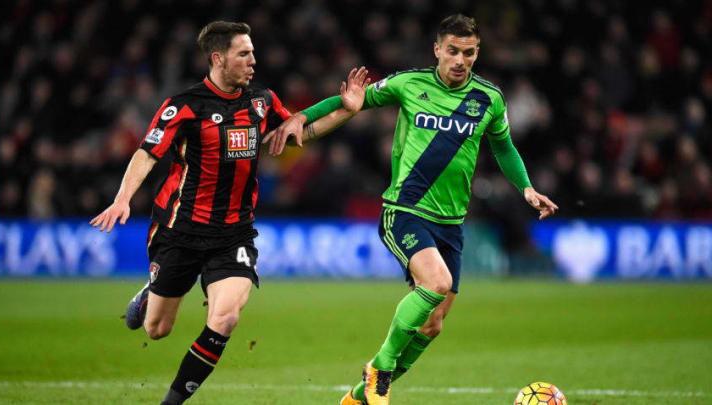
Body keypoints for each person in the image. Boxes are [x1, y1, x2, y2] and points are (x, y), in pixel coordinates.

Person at [265, 14, 558, 405]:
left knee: (433, 324)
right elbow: (350, 102)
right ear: (437, 49)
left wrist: (526, 188)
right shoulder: (408, 84)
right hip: (405, 209)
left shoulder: (489, 98)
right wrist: (303, 117)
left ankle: (356, 398)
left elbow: (503, 147)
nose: (460, 60)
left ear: (477, 54)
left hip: (451, 223)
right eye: (452, 51)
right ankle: (378, 371)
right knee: (434, 284)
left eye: (468, 53)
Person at [90, 21, 369, 405]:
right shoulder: (184, 106)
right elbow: (147, 151)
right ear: (218, 59)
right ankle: (150, 293)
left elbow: (299, 131)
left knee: (225, 318)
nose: (253, 60)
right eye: (244, 53)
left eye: (253, 52)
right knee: (157, 329)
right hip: (181, 229)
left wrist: (348, 111)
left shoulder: (261, 102)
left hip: (233, 233)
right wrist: (123, 198)